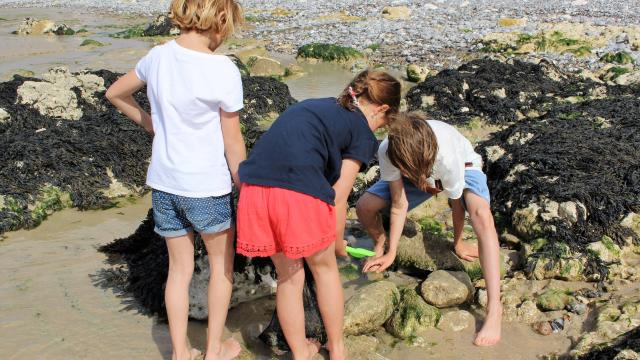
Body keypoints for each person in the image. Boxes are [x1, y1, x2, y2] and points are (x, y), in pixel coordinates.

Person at [105, 1, 245, 359]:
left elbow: (115, 93)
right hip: (207, 187)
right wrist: (245, 187)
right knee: (220, 268)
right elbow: (232, 141)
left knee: (179, 271)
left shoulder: (157, 56)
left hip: (165, 185)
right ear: (222, 19)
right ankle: (214, 351)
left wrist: (151, 123)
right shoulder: (223, 69)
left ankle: (181, 353)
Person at [236, 70, 401, 360]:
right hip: (296, 195)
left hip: (254, 190)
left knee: (288, 276)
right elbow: (338, 196)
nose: (378, 129)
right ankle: (337, 348)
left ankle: (301, 352)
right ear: (381, 109)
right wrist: (337, 243)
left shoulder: (318, 104)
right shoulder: (362, 131)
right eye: (383, 123)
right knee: (325, 269)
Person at [357, 111, 502, 346]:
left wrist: (458, 242)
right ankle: (380, 242)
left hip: (464, 167)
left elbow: (456, 204)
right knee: (365, 206)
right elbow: (398, 203)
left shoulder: (447, 155)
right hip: (413, 170)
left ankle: (495, 308)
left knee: (482, 216)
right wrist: (391, 252)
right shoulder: (388, 149)